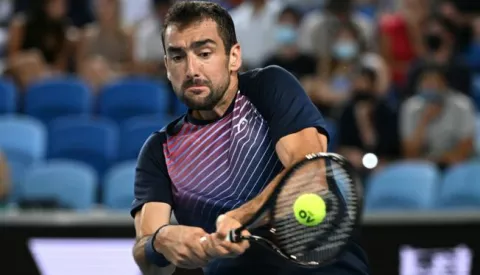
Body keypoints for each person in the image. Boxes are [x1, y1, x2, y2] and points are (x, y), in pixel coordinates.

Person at [131, 2, 369, 275]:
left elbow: (309, 176)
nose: (191, 69)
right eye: (177, 57)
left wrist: (239, 217)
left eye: (204, 53)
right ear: (167, 66)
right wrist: (159, 243)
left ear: (234, 57)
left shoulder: (270, 87)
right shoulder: (159, 151)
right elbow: (146, 257)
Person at [400, 64, 476, 170]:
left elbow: (465, 149)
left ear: (445, 84)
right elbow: (409, 153)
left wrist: (440, 160)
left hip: (455, 165)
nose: (430, 87)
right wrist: (423, 121)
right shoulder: (410, 107)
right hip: (423, 167)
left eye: (434, 82)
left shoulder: (462, 105)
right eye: (425, 82)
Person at [337, 67, 400, 176]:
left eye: (364, 81)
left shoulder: (386, 111)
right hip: (355, 164)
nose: (359, 85)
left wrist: (366, 124)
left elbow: (390, 147)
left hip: (382, 163)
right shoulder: (347, 111)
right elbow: (342, 145)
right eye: (356, 81)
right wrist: (350, 154)